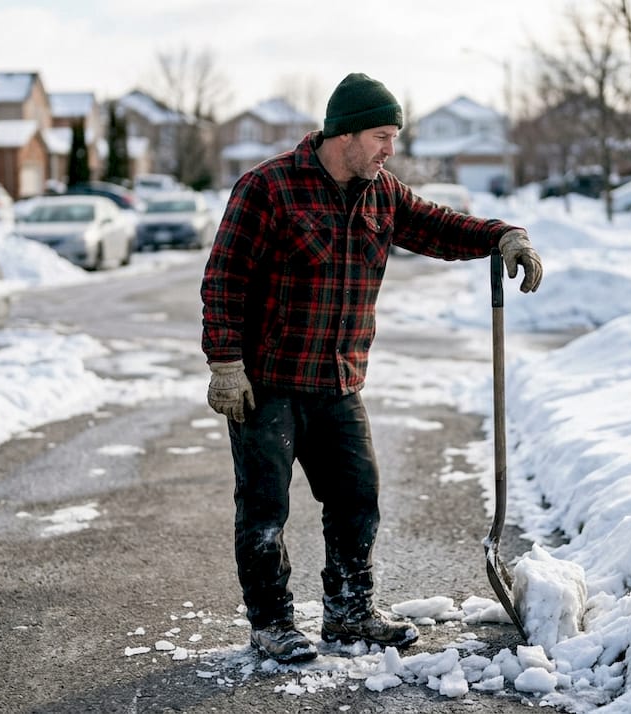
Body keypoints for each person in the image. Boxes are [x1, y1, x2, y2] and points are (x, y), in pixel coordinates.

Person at [200, 72, 543, 664]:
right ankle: (272, 623)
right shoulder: (268, 187)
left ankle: (349, 613)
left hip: (337, 382)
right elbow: (224, 277)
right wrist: (226, 362)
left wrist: (503, 235)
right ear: (345, 133)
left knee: (359, 499)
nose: (391, 149)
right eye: (382, 135)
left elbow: (439, 226)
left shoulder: (381, 191)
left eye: (393, 138)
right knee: (264, 511)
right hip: (269, 384)